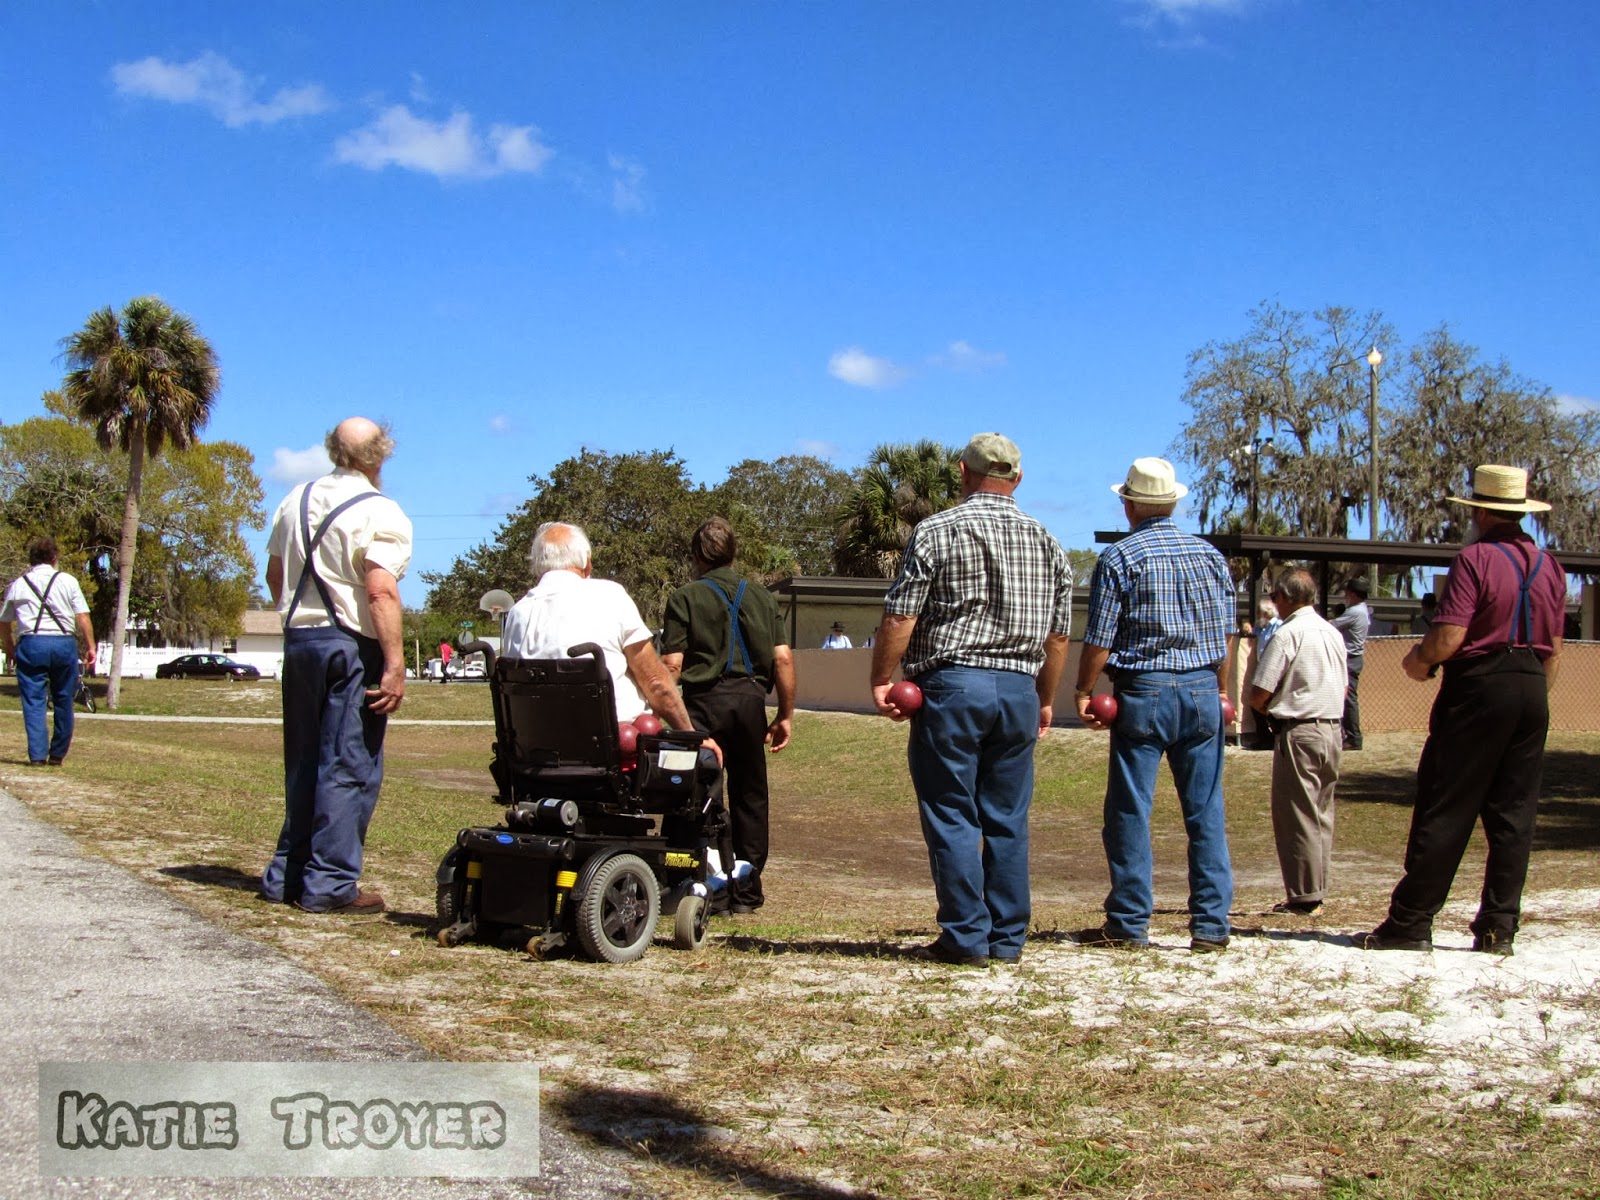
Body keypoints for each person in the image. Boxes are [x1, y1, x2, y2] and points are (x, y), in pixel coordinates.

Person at [870, 433, 1072, 967]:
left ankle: (964, 936)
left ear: (962, 471)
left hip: (953, 686)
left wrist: (881, 677)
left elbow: (901, 614)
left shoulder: (936, 531)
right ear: (1019, 479)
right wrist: (1046, 698)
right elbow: (1058, 636)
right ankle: (1007, 938)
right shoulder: (1048, 541)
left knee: (952, 812)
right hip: (1019, 689)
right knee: (1007, 817)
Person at [1362, 465, 1565, 955]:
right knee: (1514, 814)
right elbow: (1554, 649)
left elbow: (1450, 636)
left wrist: (1419, 659)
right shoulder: (1550, 566)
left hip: (1479, 686)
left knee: (1446, 802)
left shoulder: (1474, 559)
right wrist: (1531, 691)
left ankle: (1410, 923)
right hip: (1532, 684)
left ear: (1479, 511)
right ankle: (1498, 927)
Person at [1075, 457, 1235, 953]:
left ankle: (1129, 920)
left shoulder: (1121, 558)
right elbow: (1225, 632)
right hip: (1203, 686)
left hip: (1143, 688)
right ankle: (1210, 924)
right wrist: (1222, 688)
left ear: (1129, 505)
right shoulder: (1209, 556)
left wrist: (1084, 690)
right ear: (1172, 502)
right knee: (1205, 810)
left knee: (1129, 809)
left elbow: (1101, 637)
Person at [261, 418, 412, 915]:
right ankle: (329, 884)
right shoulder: (380, 511)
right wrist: (394, 662)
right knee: (349, 763)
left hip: (299, 639)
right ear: (380, 456)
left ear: (332, 451)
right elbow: (380, 589)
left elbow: (274, 574)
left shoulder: (294, 500)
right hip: (351, 645)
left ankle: (288, 875)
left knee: (303, 760)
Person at [661, 516, 795, 913]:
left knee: (697, 792)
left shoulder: (684, 597)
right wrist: (785, 714)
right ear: (733, 553)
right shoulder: (762, 597)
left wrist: (663, 709)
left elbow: (671, 664)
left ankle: (699, 885)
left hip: (702, 702)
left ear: (697, 556)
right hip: (751, 701)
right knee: (750, 796)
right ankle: (747, 892)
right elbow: (783, 659)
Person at [503, 522, 708, 737]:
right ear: (587, 562)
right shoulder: (610, 595)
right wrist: (690, 734)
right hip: (609, 745)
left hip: (538, 743)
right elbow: (656, 682)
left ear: (538, 567)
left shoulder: (517, 613)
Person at [1248, 569, 1348, 916]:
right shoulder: (1331, 632)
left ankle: (1304, 896)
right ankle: (1316, 887)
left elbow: (1259, 691)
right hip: (1332, 728)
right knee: (1320, 811)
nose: (1274, 603)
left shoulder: (1289, 634)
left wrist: (1265, 710)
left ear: (1286, 598)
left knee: (1296, 814)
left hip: (1300, 728)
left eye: (1275, 596)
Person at [0, 536, 96, 766]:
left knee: (33, 700)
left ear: (31, 560)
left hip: (31, 643)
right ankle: (57, 754)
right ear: (54, 558)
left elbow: (4, 622)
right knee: (64, 699)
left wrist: (10, 648)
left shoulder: (18, 584)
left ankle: (37, 756)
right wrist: (91, 646)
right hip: (63, 643)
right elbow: (82, 616)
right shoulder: (68, 581)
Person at [1330, 578, 1370, 750]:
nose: (1345, 596)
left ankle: (1354, 737)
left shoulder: (1355, 611)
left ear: (1353, 594)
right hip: (1353, 658)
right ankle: (1350, 735)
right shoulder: (1360, 610)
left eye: (1347, 593)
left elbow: (1332, 626)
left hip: (1350, 659)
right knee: (1347, 697)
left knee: (1349, 698)